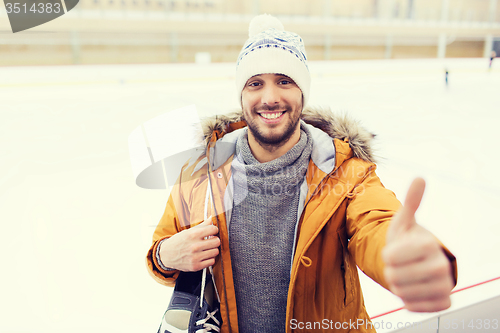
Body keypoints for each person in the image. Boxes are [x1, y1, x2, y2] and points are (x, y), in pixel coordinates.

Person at [146, 14, 457, 333]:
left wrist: (399, 254)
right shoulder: (200, 172)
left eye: (285, 81)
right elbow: (160, 252)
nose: (269, 98)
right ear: (241, 95)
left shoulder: (346, 170)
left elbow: (376, 223)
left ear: (303, 93)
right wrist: (167, 254)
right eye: (255, 83)